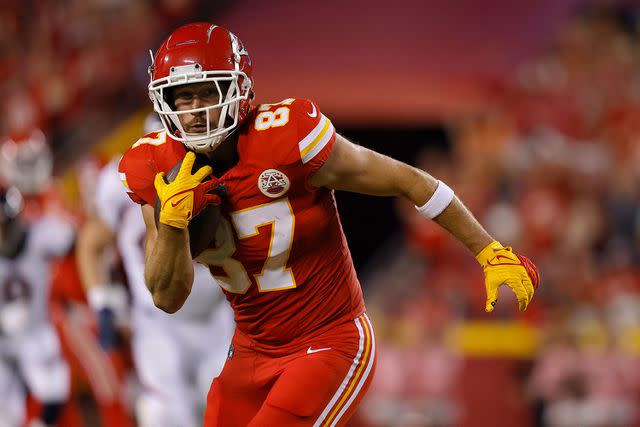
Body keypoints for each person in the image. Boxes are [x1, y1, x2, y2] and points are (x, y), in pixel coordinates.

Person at [118, 22, 540, 427]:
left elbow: (407, 180)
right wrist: (171, 223)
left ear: (238, 87)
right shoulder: (156, 164)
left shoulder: (287, 136)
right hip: (251, 347)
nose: (195, 112)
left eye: (204, 93)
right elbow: (167, 296)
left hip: (329, 341)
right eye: (181, 98)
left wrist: (487, 250)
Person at [77, 115, 234, 427]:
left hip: (217, 314)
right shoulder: (121, 178)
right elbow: (92, 242)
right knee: (166, 414)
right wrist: (102, 303)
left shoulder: (219, 165)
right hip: (157, 321)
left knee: (225, 411)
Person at [0, 183, 73, 427]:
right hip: (2, 343)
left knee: (53, 389)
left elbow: (71, 236)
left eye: (4, 225)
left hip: (36, 331)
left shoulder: (40, 235)